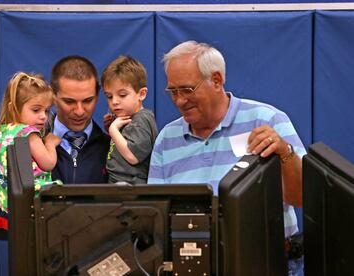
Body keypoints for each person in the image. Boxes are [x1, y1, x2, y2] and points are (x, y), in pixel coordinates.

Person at [147, 41, 305, 276]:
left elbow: (302, 197)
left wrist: (285, 152)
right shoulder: (166, 139)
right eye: (173, 91)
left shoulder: (267, 120)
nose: (179, 100)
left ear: (217, 81)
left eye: (187, 90)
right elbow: (155, 217)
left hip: (265, 265)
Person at [0, 72, 61, 239]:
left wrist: (3, 188)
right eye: (36, 110)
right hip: (35, 201)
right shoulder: (29, 133)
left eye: (46, 110)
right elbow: (49, 163)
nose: (43, 116)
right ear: (13, 108)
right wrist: (50, 144)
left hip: (7, 205)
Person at [48, 55, 110, 183]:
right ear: (52, 95)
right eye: (69, 101)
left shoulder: (114, 148)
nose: (79, 111)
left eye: (88, 101)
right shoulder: (30, 144)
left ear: (98, 95)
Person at [101, 55, 158, 184]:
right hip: (116, 183)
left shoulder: (142, 120)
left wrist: (113, 130)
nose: (114, 102)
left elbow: (133, 156)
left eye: (122, 95)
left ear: (141, 94)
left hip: (131, 187)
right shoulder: (126, 119)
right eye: (109, 96)